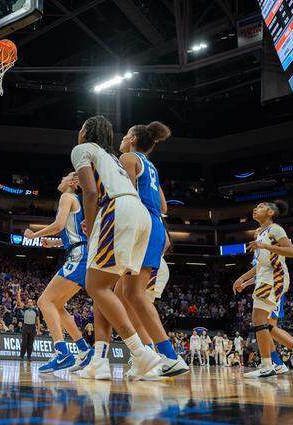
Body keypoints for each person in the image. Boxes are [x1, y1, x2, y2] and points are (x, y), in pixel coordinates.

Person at [70, 115, 160, 381]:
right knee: (103, 288)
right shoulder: (111, 156)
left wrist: (89, 224)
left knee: (95, 285)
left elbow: (90, 192)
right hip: (138, 214)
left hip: (117, 210)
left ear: (86, 130)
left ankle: (141, 353)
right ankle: (99, 361)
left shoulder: (82, 149)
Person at [117, 121, 189, 379]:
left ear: (134, 138)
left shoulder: (127, 157)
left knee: (133, 295)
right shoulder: (151, 165)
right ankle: (143, 355)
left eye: (126, 135)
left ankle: (167, 354)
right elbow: (163, 205)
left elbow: (125, 196)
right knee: (125, 293)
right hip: (156, 226)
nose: (122, 139)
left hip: (141, 225)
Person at [233, 202, 293, 379]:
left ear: (270, 212)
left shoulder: (275, 229)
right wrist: (242, 279)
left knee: (259, 319)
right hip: (264, 276)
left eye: (260, 206)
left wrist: (265, 246)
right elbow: (260, 266)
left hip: (275, 277)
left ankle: (268, 365)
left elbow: (292, 252)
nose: (255, 209)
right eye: (255, 207)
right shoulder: (259, 233)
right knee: (265, 325)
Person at [23, 172, 94, 373]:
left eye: (63, 177)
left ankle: (62, 353)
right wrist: (52, 242)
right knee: (58, 306)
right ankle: (84, 350)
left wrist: (34, 235)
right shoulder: (77, 200)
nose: (60, 179)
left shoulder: (67, 197)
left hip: (79, 256)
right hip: (81, 253)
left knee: (43, 302)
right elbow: (74, 235)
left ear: (71, 182)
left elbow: (59, 225)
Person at [15, 288, 40, 362]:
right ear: (27, 303)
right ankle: (21, 357)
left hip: (32, 327)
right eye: (28, 302)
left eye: (31, 302)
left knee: (30, 344)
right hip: (25, 326)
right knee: (24, 343)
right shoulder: (25, 308)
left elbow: (38, 321)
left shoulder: (36, 310)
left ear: (33, 303)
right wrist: (18, 293)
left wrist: (38, 329)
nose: (30, 303)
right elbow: (19, 302)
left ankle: (29, 357)